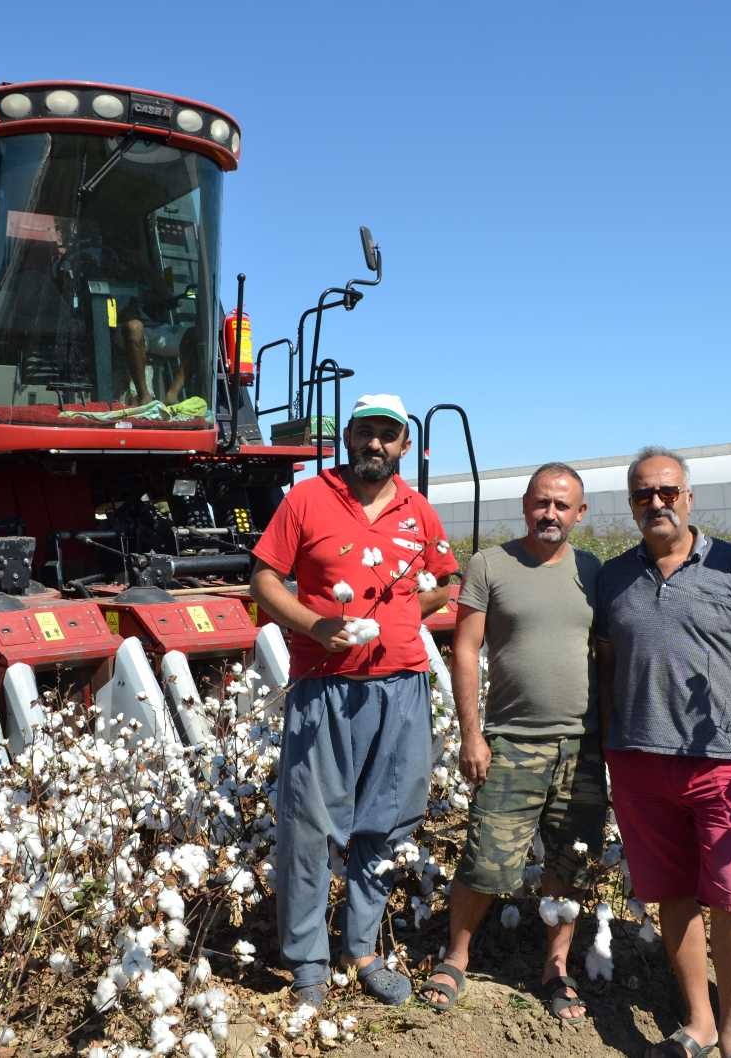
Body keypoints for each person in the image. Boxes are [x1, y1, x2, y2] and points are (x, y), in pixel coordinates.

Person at [250, 393, 458, 1008]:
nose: (375, 444)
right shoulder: (307, 498)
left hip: (402, 686)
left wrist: (401, 611)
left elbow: (445, 582)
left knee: (388, 821)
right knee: (310, 827)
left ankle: (361, 947)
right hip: (325, 686)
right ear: (348, 436)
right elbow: (263, 578)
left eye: (387, 435)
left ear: (404, 445)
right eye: (365, 431)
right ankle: (308, 963)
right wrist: (315, 625)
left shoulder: (419, 512)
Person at [594, 447, 731, 1058]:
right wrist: (609, 747)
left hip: (723, 763)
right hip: (638, 762)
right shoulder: (613, 577)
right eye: (643, 494)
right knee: (673, 894)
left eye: (668, 492)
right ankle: (699, 1022)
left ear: (689, 497)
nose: (657, 503)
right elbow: (605, 663)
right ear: (631, 504)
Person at [418, 464, 607, 1022]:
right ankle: (457, 956)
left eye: (562, 505)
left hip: (581, 745)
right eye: (541, 502)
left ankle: (556, 966)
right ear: (525, 505)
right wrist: (472, 734)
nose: (550, 513)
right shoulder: (490, 564)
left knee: (571, 862)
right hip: (511, 742)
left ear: (580, 513)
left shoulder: (593, 570)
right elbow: (465, 649)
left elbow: (609, 653)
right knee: (486, 860)